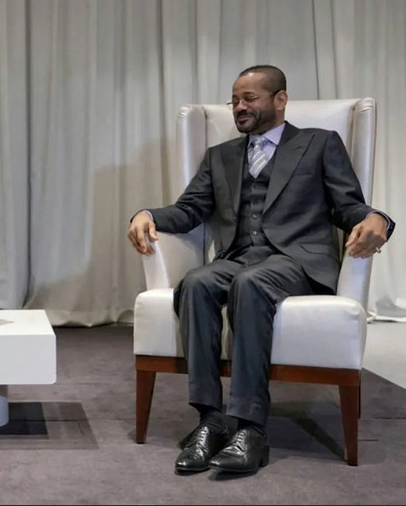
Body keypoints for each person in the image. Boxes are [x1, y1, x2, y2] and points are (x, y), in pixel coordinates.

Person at [127, 65, 394, 475]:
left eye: (249, 98)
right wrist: (146, 214)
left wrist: (378, 218)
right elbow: (189, 209)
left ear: (280, 99)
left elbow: (348, 206)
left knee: (251, 283)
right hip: (238, 257)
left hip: (296, 261)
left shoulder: (319, 143)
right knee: (196, 282)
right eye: (235, 100)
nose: (239, 107)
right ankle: (211, 421)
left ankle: (251, 429)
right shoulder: (220, 156)